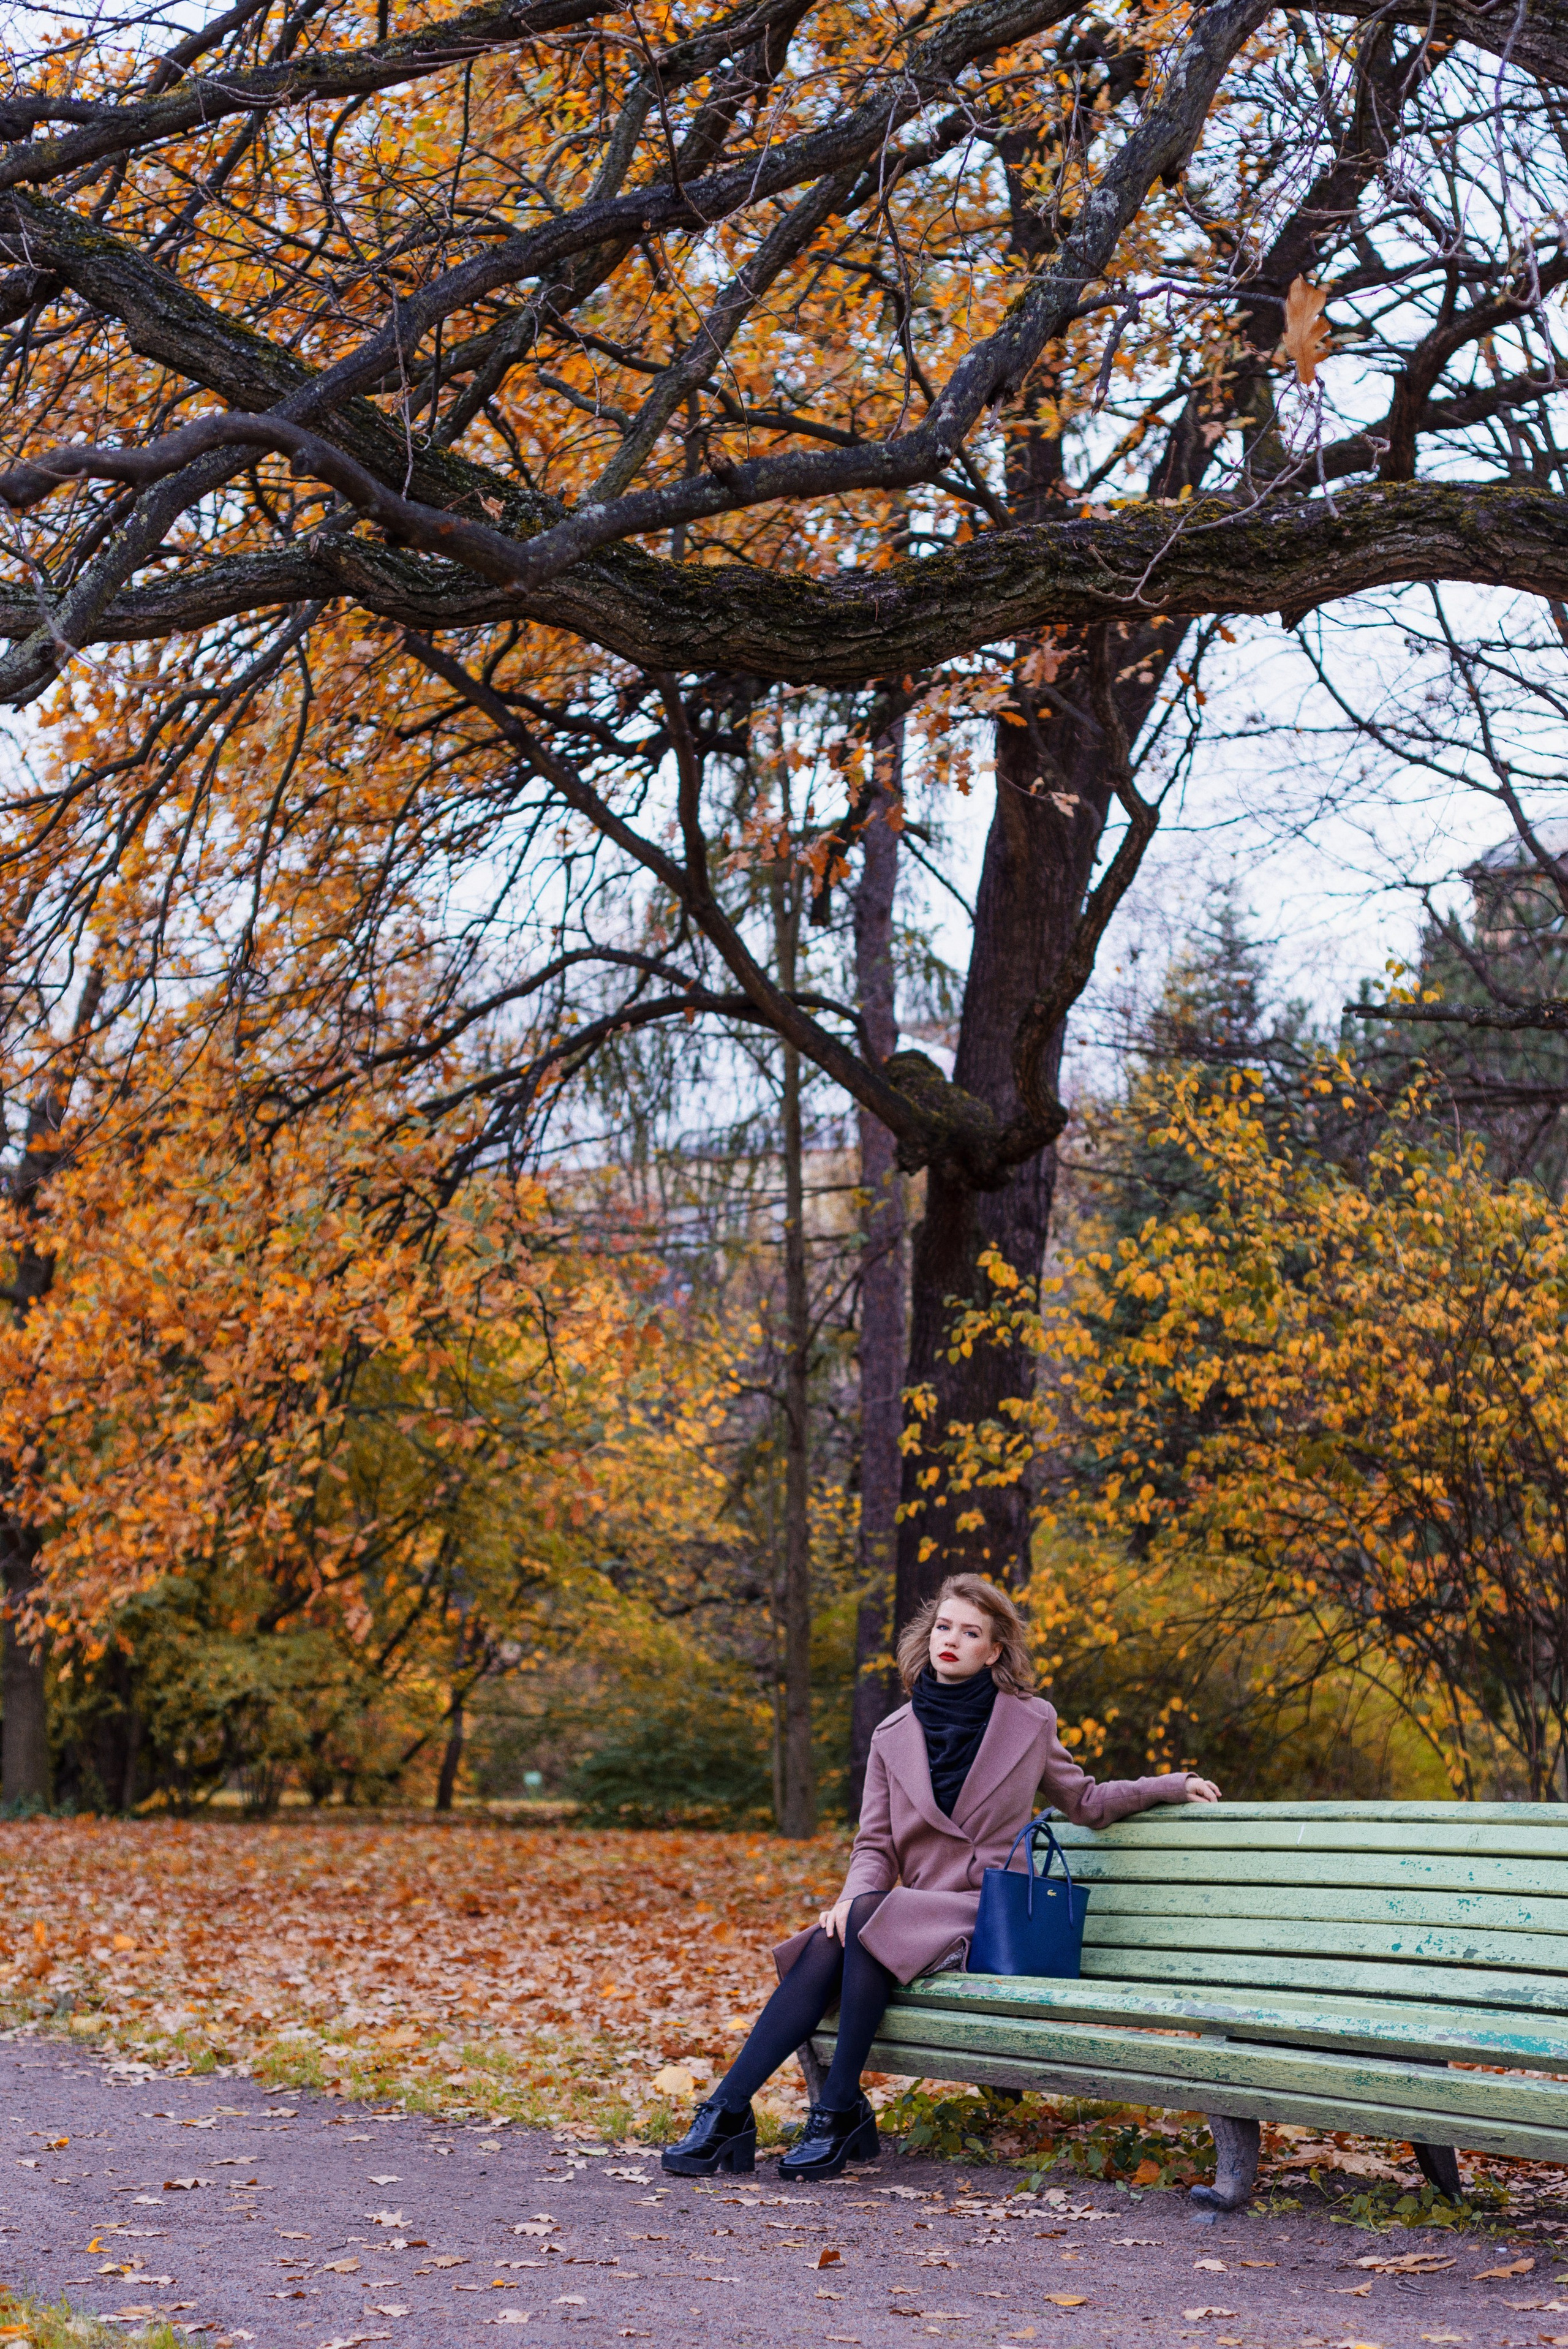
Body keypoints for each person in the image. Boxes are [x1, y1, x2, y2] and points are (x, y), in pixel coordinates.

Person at [661, 1571, 1221, 2182]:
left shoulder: (1029, 1721)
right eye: (943, 1626)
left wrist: (1169, 1785)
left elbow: (1085, 1799)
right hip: (908, 1913)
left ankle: (827, 2110)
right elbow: (874, 1843)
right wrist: (848, 1899)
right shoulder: (891, 1734)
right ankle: (736, 2108)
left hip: (983, 1913)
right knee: (843, 1927)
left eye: (970, 1631)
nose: (949, 1639)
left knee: (876, 1916)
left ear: (994, 1649)